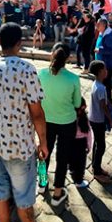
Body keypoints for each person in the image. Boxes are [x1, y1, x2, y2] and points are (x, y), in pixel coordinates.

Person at [0, 22, 48, 222]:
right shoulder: (27, 69)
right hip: (21, 147)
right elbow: (37, 113)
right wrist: (43, 142)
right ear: (19, 44)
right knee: (24, 199)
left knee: (0, 191)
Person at [38, 43, 81, 206]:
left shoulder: (41, 74)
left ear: (51, 55)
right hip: (67, 122)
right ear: (68, 58)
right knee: (62, 157)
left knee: (43, 153)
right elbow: (77, 103)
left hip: (45, 122)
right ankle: (57, 193)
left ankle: (42, 183)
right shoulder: (73, 78)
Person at [88, 60, 112, 183]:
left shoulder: (95, 84)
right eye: (104, 69)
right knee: (101, 146)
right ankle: (97, 171)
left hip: (92, 118)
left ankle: (95, 166)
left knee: (97, 143)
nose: (106, 71)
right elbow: (103, 106)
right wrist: (111, 118)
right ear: (99, 72)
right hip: (98, 120)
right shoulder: (101, 88)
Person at [69, 98, 92, 188]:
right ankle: (79, 181)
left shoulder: (69, 117)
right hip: (81, 143)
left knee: (71, 159)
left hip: (70, 142)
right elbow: (89, 134)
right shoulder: (84, 119)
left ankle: (71, 170)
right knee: (80, 163)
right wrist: (89, 146)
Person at [94, 18, 112, 102]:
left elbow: (111, 50)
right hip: (101, 63)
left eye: (98, 25)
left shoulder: (109, 35)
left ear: (103, 25)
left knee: (106, 84)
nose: (96, 26)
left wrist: (99, 50)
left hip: (107, 64)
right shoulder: (102, 33)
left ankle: (108, 101)